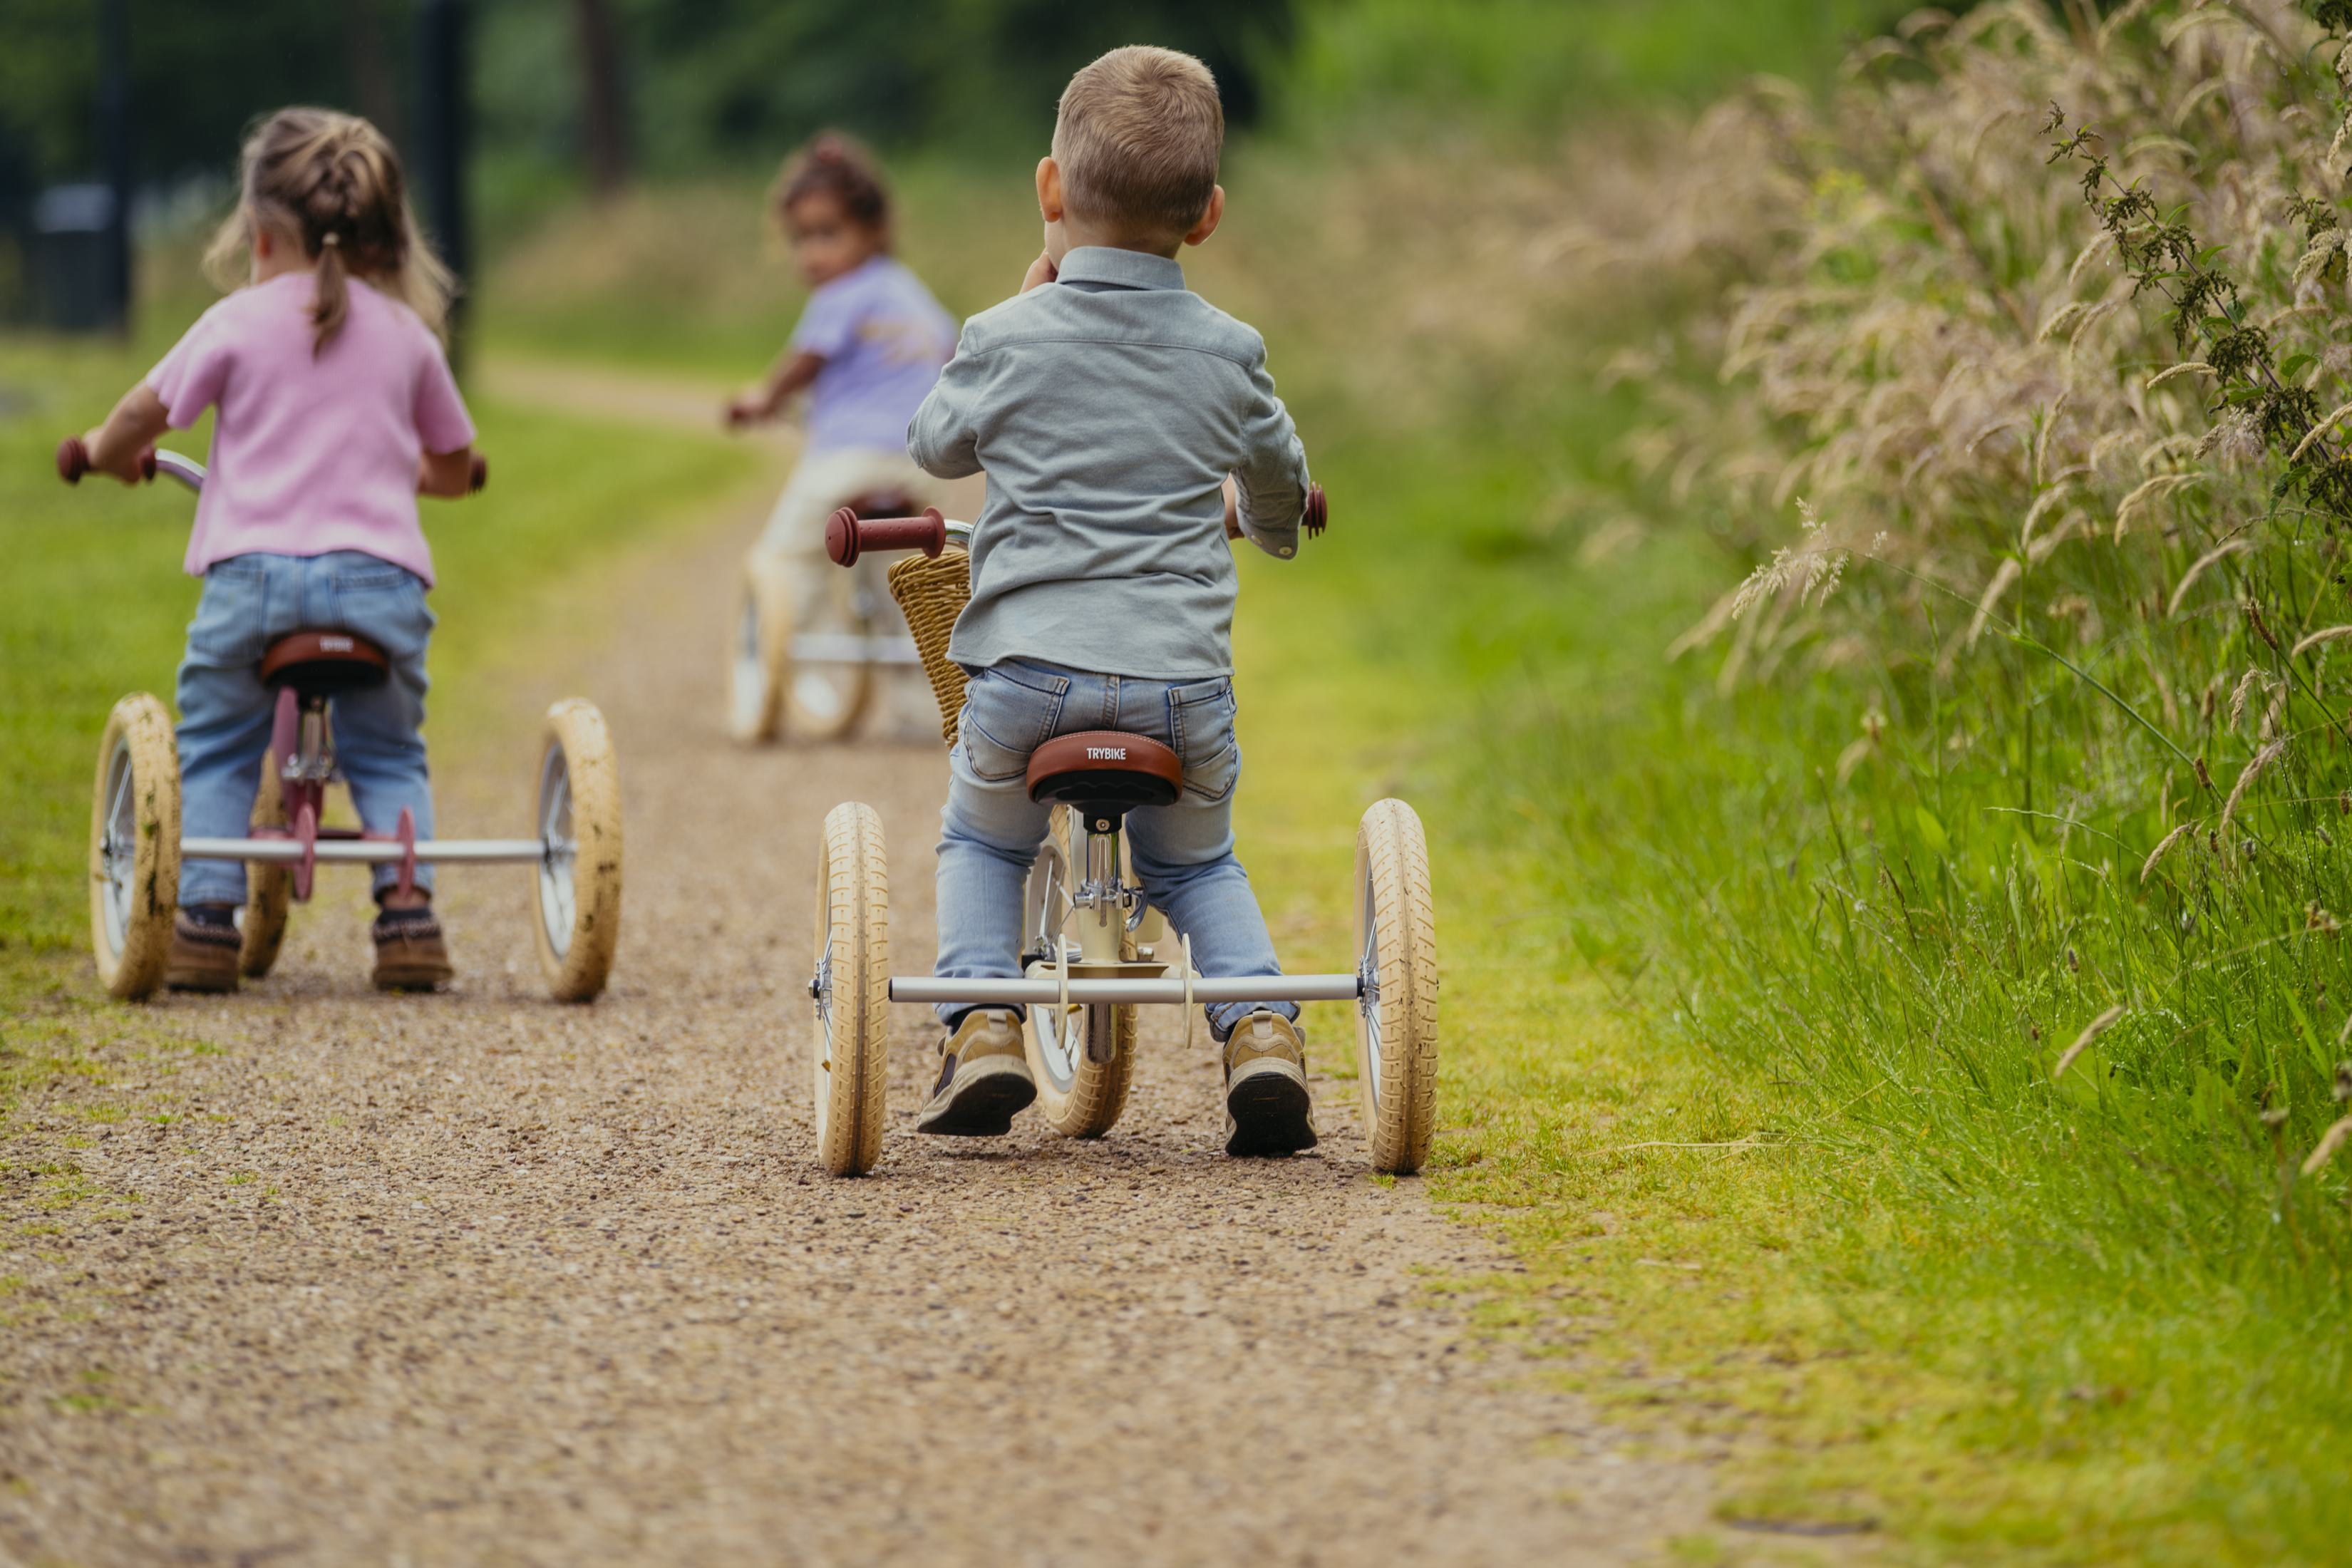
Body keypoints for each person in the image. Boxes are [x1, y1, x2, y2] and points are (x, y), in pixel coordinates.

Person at [906, 46, 1318, 1157]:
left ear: (1050, 191)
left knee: (984, 846)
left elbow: (935, 445)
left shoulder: (1006, 336)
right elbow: (1276, 475)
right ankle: (1264, 1030)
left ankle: (985, 1022)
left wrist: (1014, 303)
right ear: (1209, 216)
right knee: (1195, 864)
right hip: (1179, 688)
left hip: (1026, 680)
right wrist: (1273, 528)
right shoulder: (1232, 353)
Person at [74, 107, 478, 994]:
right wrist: (425, 474)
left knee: (218, 741)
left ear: (258, 231)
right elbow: (451, 466)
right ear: (385, 238)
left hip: (251, 583)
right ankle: (408, 918)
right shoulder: (410, 338)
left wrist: (103, 453)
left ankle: (205, 921)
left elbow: (147, 415)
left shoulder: (234, 322)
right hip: (379, 590)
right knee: (389, 751)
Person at [726, 133, 957, 710]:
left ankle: (770, 665)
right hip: (915, 463)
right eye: (800, 239)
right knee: (901, 583)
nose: (811, 253)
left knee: (785, 558)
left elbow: (804, 362)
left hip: (846, 459)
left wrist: (762, 399)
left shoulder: (841, 294)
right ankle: (916, 704)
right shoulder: (911, 293)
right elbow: (951, 354)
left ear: (874, 230)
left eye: (828, 234)